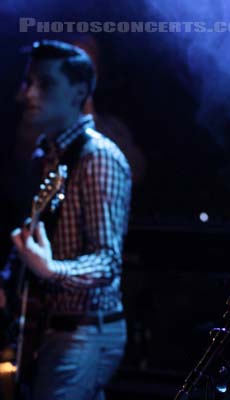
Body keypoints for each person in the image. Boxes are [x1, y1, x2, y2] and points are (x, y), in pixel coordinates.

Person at [4, 40, 131, 399]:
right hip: (50, 329)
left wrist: (51, 270)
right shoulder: (47, 155)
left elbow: (108, 261)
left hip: (84, 332)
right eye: (28, 82)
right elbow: (39, 240)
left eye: (44, 84)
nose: (27, 93)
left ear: (78, 92)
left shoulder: (97, 158)